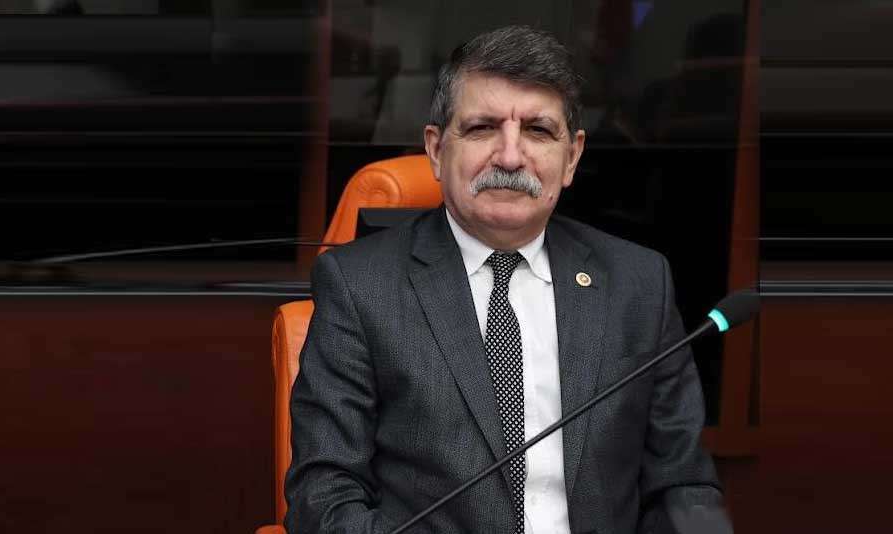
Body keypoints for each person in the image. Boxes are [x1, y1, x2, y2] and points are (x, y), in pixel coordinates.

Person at [286, 25, 731, 534]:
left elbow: (683, 484)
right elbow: (323, 497)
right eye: (482, 128)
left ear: (572, 157)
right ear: (436, 149)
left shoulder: (639, 283)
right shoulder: (360, 285)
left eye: (538, 131)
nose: (511, 157)